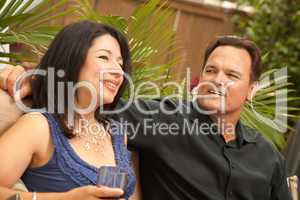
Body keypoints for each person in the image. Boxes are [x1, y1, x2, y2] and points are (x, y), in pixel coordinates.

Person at [0, 36, 291, 200]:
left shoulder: (268, 157)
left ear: (252, 90)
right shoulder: (163, 119)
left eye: (232, 75)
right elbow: (89, 100)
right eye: (211, 70)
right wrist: (31, 74)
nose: (217, 80)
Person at [0, 20, 137, 200]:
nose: (118, 71)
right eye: (104, 57)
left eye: (120, 63)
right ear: (72, 59)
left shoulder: (117, 134)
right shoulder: (39, 127)